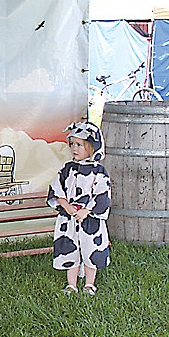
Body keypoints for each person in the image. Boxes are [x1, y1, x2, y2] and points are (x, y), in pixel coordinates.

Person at [47, 121, 111, 296]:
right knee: (69, 249)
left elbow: (102, 194)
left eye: (80, 145)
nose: (74, 149)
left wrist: (87, 210)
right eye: (72, 144)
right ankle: (71, 284)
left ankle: (89, 283)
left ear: (92, 147)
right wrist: (66, 206)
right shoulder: (67, 169)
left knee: (91, 249)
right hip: (69, 219)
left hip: (90, 220)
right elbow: (57, 188)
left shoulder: (99, 171)